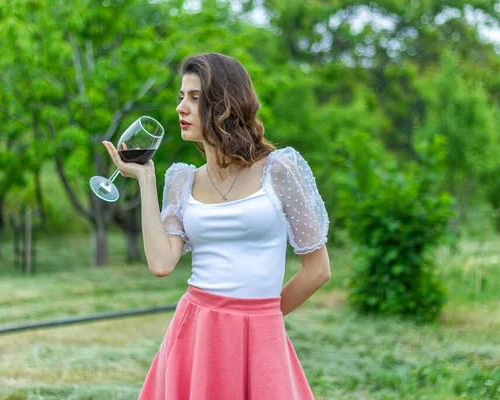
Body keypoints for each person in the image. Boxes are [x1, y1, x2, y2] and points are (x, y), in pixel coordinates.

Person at [103, 53, 331, 400]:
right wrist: (146, 180)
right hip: (196, 333)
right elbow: (161, 264)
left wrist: (260, 319)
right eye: (181, 97)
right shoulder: (182, 179)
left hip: (261, 333)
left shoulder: (280, 170)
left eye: (195, 98)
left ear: (225, 103)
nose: (181, 107)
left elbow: (318, 270)